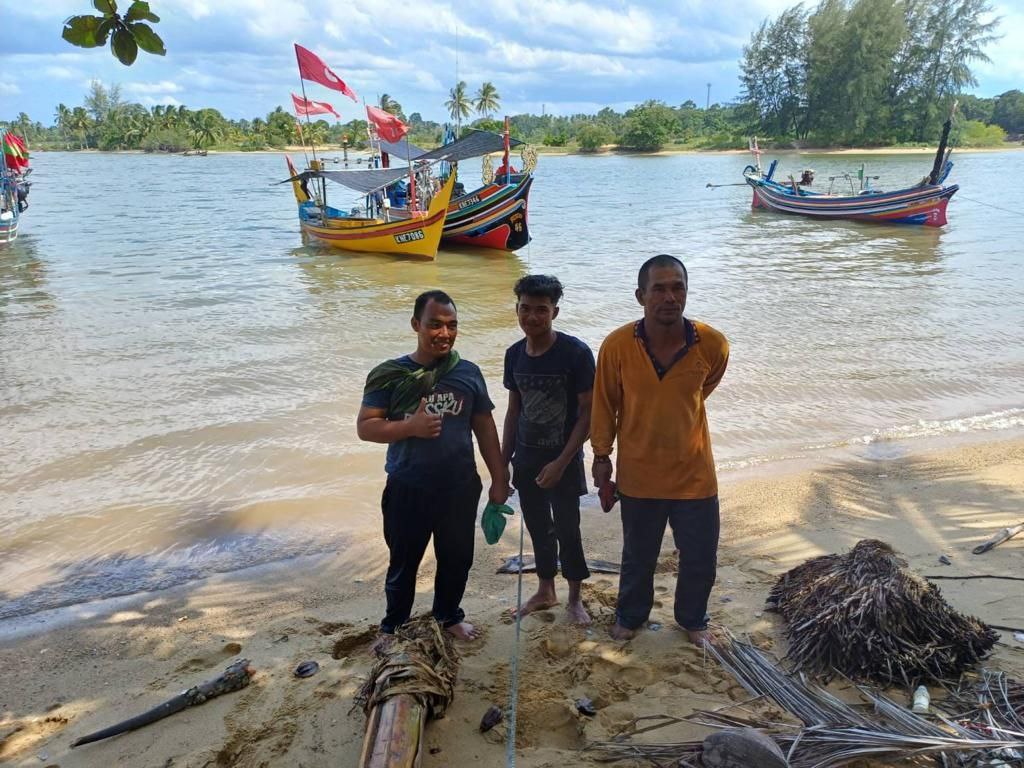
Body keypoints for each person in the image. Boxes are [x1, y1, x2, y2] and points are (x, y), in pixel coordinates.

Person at [590, 255, 729, 645]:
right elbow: (604, 405)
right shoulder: (617, 346)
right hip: (638, 476)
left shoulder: (712, 344)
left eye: (677, 287)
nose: (670, 297)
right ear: (640, 296)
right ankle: (630, 616)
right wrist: (602, 458)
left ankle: (692, 620)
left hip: (695, 475)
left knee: (700, 557)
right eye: (659, 288)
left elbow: (703, 389)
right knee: (638, 557)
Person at [357, 290, 509, 642]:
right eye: (435, 325)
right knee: (403, 564)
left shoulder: (467, 373)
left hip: (459, 486)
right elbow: (366, 427)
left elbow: (485, 427)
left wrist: (499, 477)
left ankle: (448, 616)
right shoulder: (390, 375)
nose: (444, 333)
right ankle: (392, 625)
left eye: (452, 325)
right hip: (408, 485)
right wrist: (409, 427)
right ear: (416, 325)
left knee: (457, 559)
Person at [502, 275, 596, 624]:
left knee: (568, 528)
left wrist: (561, 461)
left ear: (554, 311)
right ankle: (545, 590)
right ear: (517, 310)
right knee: (538, 526)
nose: (532, 317)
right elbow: (514, 410)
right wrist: (501, 462)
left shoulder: (575, 353)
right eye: (525, 309)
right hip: (526, 457)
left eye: (541, 310)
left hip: (565, 458)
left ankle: (575, 599)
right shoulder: (514, 355)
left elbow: (589, 414)